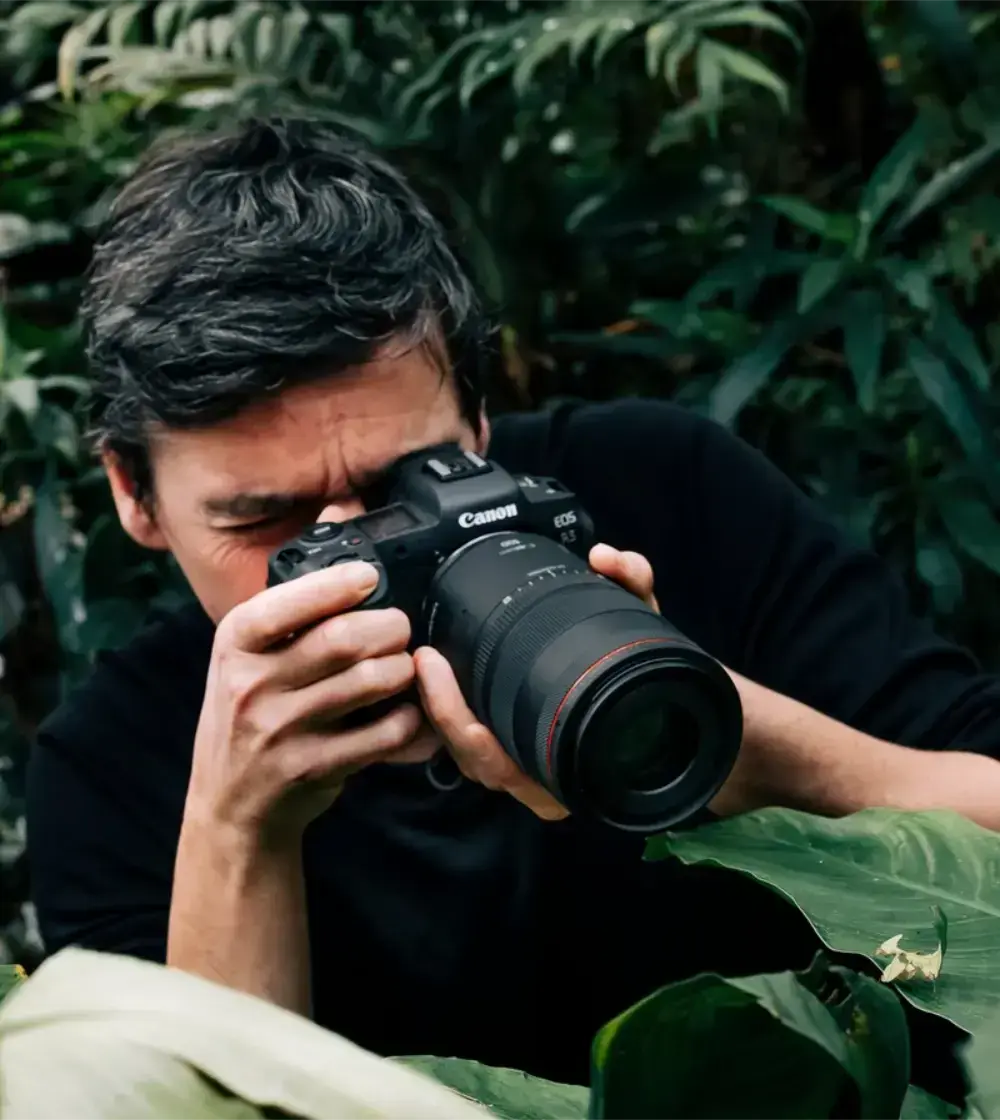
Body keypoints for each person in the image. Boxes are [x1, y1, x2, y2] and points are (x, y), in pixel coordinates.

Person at [25, 117, 1000, 1086]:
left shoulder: (666, 489)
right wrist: (241, 827)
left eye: (410, 483)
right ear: (133, 495)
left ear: (479, 419)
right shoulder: (111, 765)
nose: (348, 570)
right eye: (264, 520)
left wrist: (695, 719)